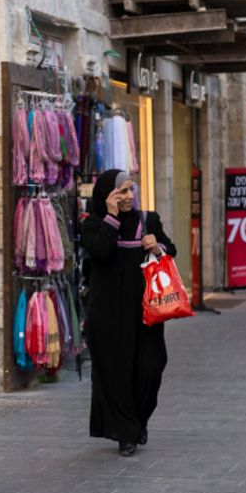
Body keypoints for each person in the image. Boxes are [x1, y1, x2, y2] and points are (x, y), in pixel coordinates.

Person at [81, 169, 174, 457]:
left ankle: (139, 420)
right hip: (108, 314)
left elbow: (172, 250)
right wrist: (111, 217)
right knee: (116, 372)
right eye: (121, 191)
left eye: (130, 190)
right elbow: (100, 252)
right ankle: (126, 433)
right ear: (108, 194)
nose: (128, 197)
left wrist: (158, 247)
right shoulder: (93, 224)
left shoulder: (148, 221)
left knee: (151, 367)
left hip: (145, 311)